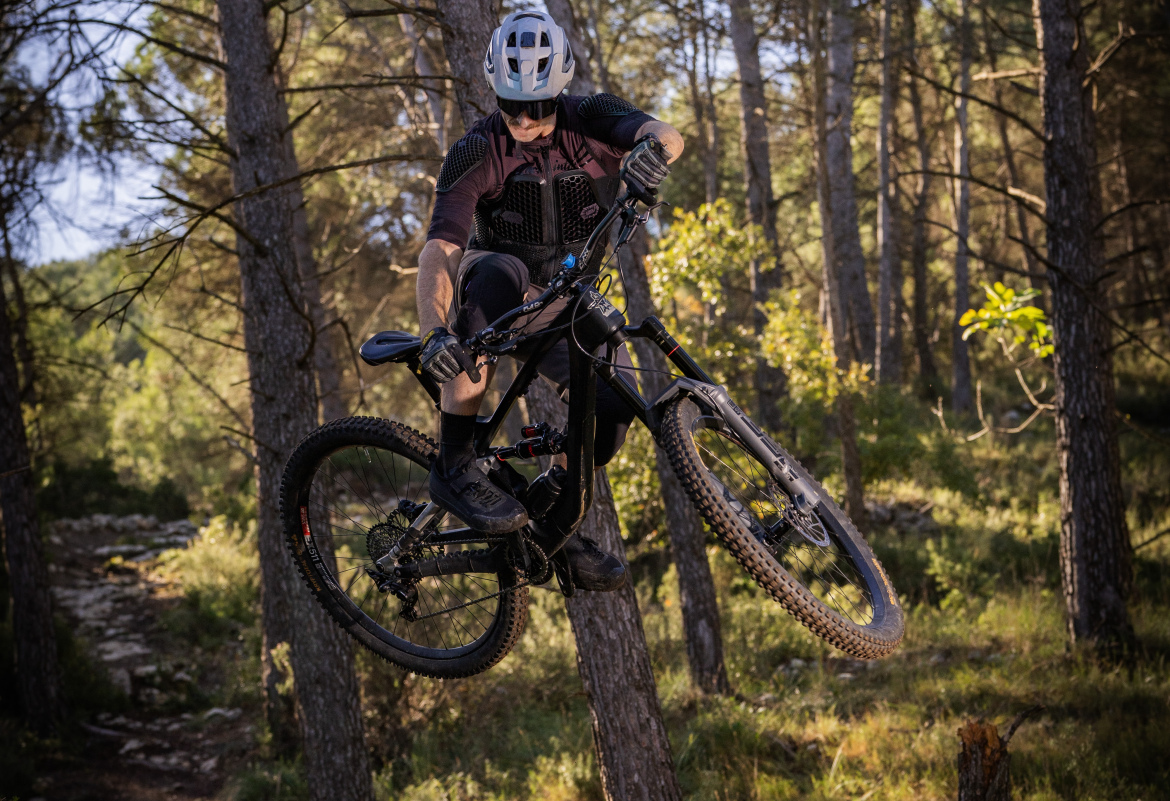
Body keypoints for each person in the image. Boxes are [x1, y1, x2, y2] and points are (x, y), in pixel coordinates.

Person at [415, 11, 683, 591]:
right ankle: (455, 464)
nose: (525, 120)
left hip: (571, 298)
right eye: (512, 105)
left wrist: (652, 155)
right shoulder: (475, 150)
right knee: (493, 269)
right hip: (504, 294)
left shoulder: (592, 115)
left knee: (611, 417)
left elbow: (664, 132)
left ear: (559, 92)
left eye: (538, 107)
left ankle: (547, 525)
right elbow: (441, 247)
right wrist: (436, 330)